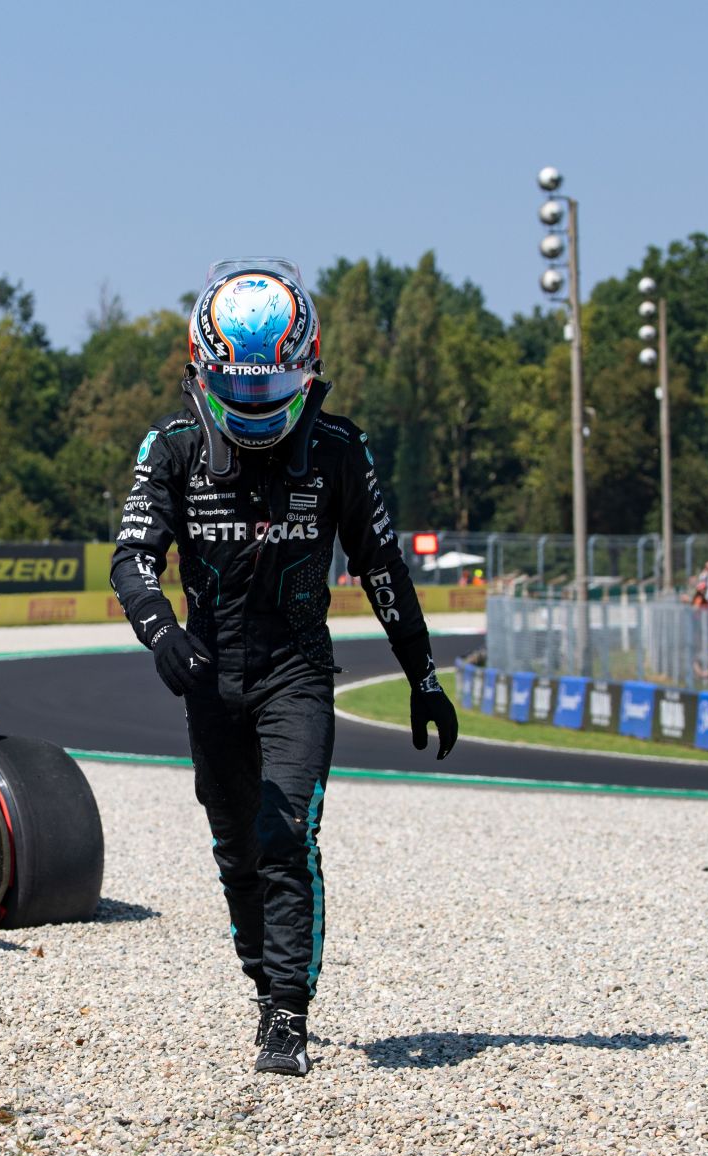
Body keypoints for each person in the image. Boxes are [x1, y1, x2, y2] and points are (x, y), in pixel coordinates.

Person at [108, 259, 459, 1078]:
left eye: (274, 388)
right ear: (202, 368)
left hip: (298, 668)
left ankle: (287, 1014)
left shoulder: (339, 448)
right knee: (234, 845)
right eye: (242, 388)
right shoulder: (172, 446)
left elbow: (382, 565)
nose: (258, 406)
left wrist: (423, 673)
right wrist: (161, 634)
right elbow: (131, 559)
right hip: (208, 671)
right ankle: (261, 986)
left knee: (284, 832)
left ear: (309, 367)